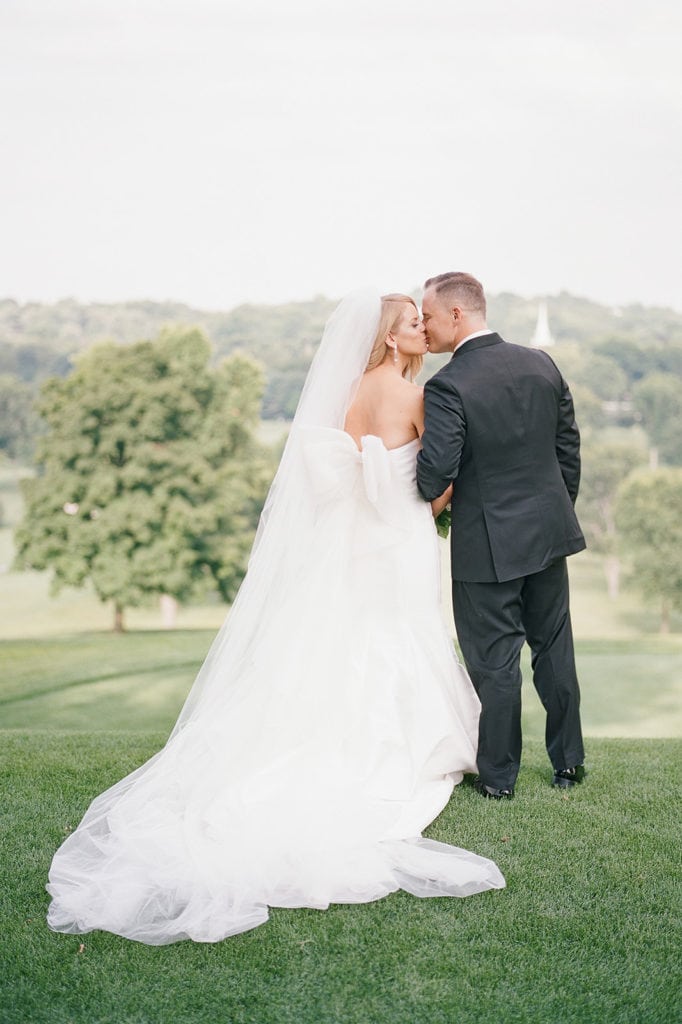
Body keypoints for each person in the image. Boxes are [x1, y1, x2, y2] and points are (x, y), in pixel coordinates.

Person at [46, 290, 504, 946]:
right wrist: (450, 499)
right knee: (398, 635)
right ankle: (402, 749)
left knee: (361, 639)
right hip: (395, 536)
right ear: (389, 338)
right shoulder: (413, 397)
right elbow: (435, 479)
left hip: (356, 541)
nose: (420, 331)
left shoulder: (355, 392)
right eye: (410, 324)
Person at [417, 272, 586, 799]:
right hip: (547, 532)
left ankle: (498, 778)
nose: (424, 326)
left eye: (427, 316)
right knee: (554, 648)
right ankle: (569, 763)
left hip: (486, 543)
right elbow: (568, 449)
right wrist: (555, 511)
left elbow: (433, 473)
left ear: (456, 316)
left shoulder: (447, 385)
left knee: (494, 661)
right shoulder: (541, 363)